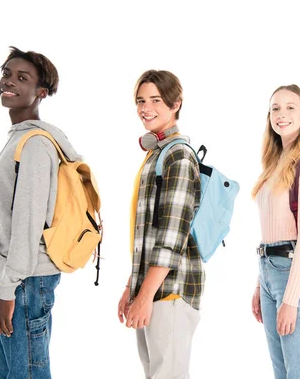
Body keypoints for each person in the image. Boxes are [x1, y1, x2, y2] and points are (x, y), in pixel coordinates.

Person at [0, 46, 82, 378]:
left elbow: (27, 226)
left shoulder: (36, 145)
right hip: (12, 278)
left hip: (24, 281)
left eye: (21, 78)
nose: (9, 82)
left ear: (40, 93)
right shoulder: (19, 140)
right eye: (6, 73)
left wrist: (8, 290)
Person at [118, 70, 203, 379]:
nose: (146, 108)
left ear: (175, 104)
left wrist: (144, 295)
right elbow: (146, 235)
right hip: (152, 289)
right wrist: (132, 286)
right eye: (141, 100)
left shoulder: (177, 155)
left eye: (155, 100)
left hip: (170, 292)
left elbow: (170, 237)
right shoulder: (157, 153)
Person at [251, 84, 300, 378]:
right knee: (282, 371)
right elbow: (270, 231)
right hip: (269, 271)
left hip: (293, 274)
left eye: (290, 107)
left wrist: (290, 300)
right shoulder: (272, 165)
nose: (281, 114)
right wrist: (260, 284)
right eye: (275, 108)